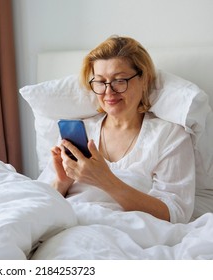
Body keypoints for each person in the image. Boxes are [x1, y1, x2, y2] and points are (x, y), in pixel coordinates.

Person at [49, 36, 195, 224]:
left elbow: (175, 214)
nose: (109, 92)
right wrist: (62, 183)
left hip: (127, 232)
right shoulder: (79, 132)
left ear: (144, 80)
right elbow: (45, 202)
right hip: (70, 225)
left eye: (119, 80)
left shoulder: (169, 136)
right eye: (100, 82)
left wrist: (105, 180)